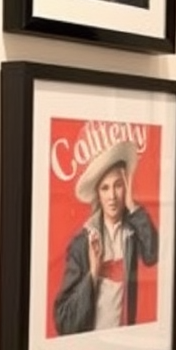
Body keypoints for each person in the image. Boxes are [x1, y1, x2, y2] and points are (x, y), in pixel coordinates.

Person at [53, 134, 158, 334]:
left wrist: (132, 206)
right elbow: (63, 320)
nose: (112, 196)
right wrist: (93, 272)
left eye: (118, 185)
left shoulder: (132, 231)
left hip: (123, 341)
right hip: (91, 345)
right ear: (98, 195)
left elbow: (152, 255)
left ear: (126, 187)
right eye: (105, 188)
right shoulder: (82, 242)